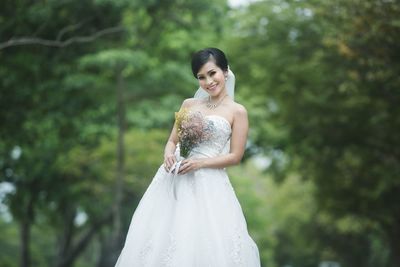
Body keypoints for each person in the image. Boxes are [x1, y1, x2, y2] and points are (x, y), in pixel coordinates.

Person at [115, 48, 261, 267]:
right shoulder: (188, 105)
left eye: (212, 73)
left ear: (225, 71)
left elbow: (235, 156)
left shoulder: (237, 111)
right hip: (174, 178)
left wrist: (199, 163)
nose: (208, 81)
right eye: (201, 77)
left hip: (208, 183)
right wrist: (167, 154)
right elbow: (173, 140)